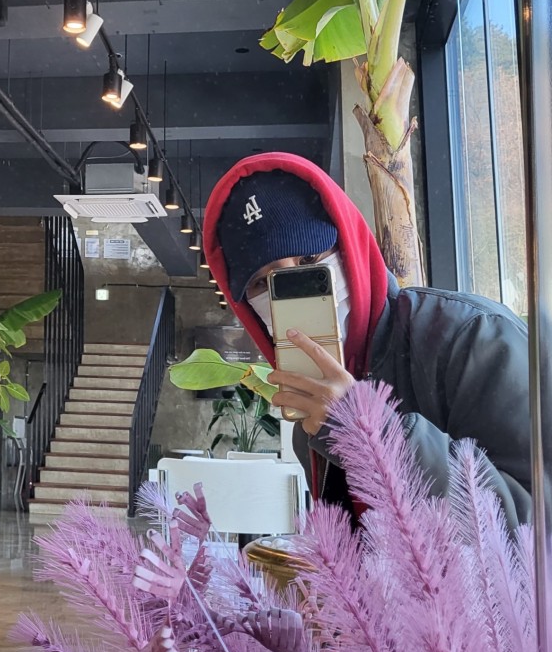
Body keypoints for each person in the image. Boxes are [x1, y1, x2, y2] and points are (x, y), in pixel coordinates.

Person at [203, 151, 547, 529]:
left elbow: (535, 529)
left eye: (309, 259)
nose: (288, 289)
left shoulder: (472, 338)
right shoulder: (313, 419)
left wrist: (373, 434)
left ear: (349, 248)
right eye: (260, 282)